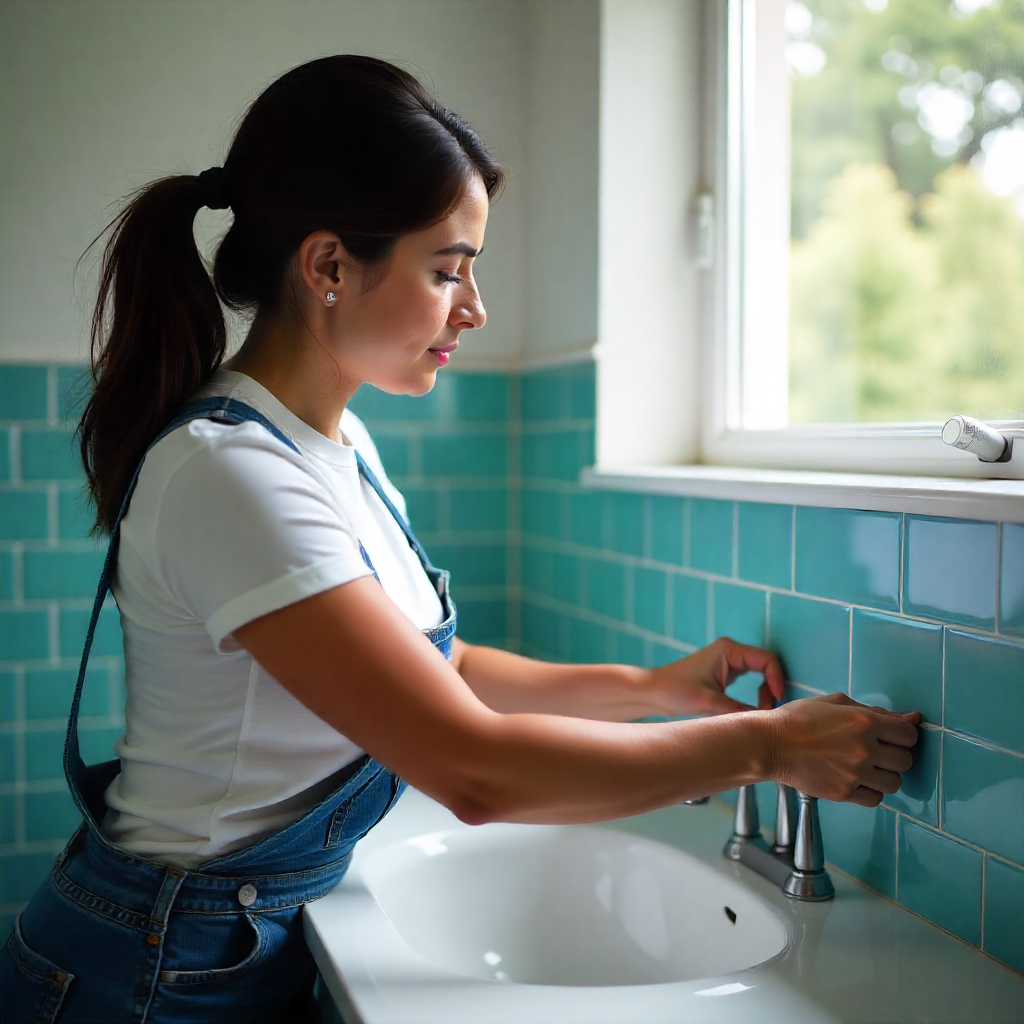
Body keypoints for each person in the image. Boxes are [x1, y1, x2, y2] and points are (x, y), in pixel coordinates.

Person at [0, 55, 921, 1024]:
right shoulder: (232, 475)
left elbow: (444, 669)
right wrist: (764, 747)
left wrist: (650, 691)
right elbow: (471, 771)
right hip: (149, 972)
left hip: (220, 945)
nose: (473, 309)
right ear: (327, 266)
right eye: (448, 271)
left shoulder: (333, 443)